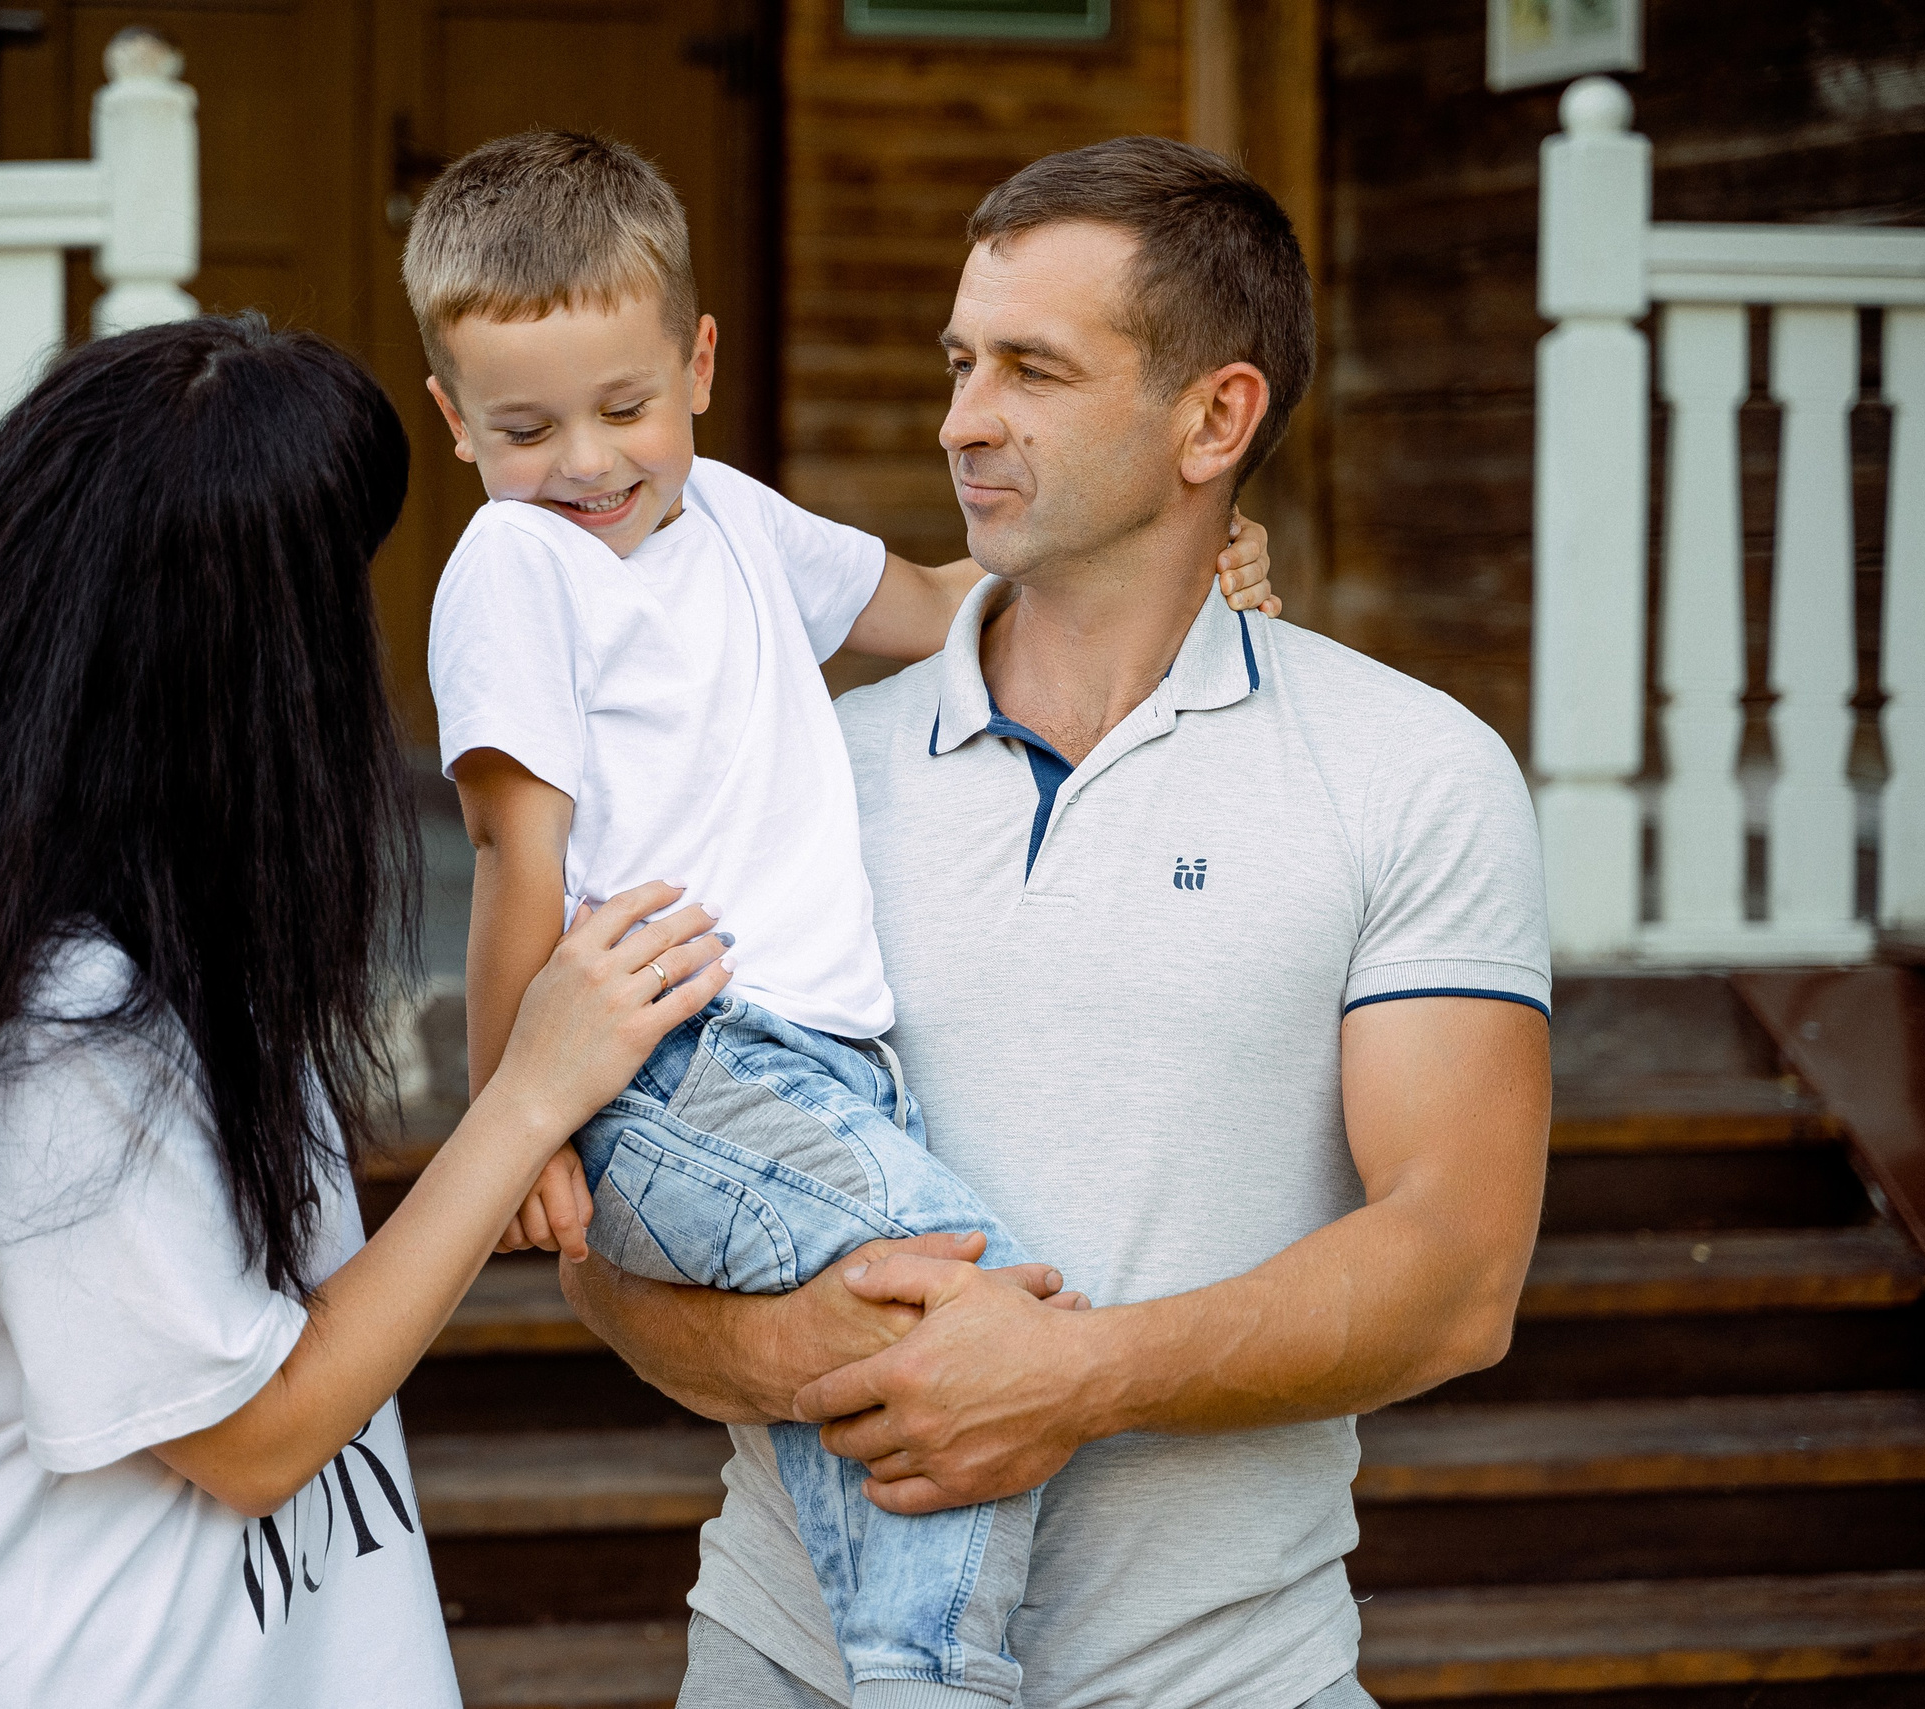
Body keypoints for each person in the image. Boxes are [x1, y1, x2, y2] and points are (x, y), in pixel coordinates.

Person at [563, 138, 1556, 1709]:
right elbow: (617, 1232)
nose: (963, 417)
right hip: (788, 1668)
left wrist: (1076, 1378)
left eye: (1032, 368)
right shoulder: (800, 775)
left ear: (1214, 418)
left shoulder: (1411, 773)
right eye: (961, 361)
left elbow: (1458, 1267)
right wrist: (812, 1353)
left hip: (1235, 1678)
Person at [0, 314, 738, 1708]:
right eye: (333, 597)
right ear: (234, 666)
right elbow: (258, 1433)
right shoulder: (54, 1024)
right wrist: (523, 1100)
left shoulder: (162, 949)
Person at [407, 133, 1278, 1709]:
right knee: (981, 1306)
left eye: (627, 407)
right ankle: (928, 1680)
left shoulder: (731, 520)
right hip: (677, 1061)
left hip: (815, 1067)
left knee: (891, 1383)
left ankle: (891, 1666)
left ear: (701, 362)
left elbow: (946, 603)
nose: (589, 462)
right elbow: (512, 861)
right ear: (454, 420)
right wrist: (512, 1126)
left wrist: (1189, 569)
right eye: (526, 426)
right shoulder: (514, 567)